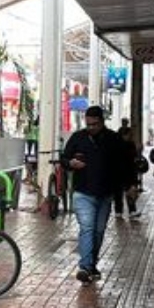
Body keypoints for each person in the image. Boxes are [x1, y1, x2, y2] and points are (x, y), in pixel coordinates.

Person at [62, 106, 123, 284]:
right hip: (83, 192)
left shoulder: (113, 139)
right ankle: (85, 267)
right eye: (88, 124)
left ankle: (91, 264)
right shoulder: (78, 137)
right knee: (87, 228)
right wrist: (70, 163)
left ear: (102, 122)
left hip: (105, 194)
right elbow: (64, 158)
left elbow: (123, 164)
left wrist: (127, 186)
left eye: (94, 124)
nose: (91, 128)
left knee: (99, 231)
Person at [115, 125, 142, 219]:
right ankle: (120, 210)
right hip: (120, 171)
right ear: (123, 134)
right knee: (119, 192)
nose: (130, 137)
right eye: (129, 135)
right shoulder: (117, 144)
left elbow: (134, 157)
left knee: (129, 190)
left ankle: (130, 210)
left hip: (128, 170)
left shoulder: (130, 144)